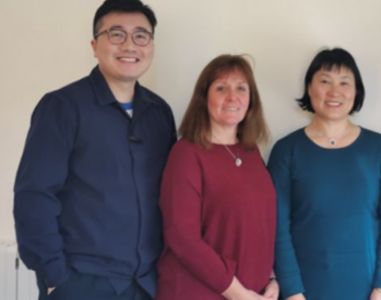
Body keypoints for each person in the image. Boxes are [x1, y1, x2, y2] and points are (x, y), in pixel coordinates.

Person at [13, 0, 176, 299]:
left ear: (151, 45)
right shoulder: (62, 107)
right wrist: (54, 276)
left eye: (141, 35)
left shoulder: (159, 113)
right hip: (81, 283)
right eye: (116, 34)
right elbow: (34, 195)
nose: (130, 45)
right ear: (94, 44)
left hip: (145, 283)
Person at [267, 48, 381, 300]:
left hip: (367, 290)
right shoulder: (286, 150)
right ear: (310, 88)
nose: (335, 91)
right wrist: (292, 290)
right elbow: (277, 226)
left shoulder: (378, 149)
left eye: (344, 82)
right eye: (324, 81)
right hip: (304, 289)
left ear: (356, 91)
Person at [156, 54, 278, 300]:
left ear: (251, 99)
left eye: (241, 88)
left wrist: (272, 277)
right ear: (204, 98)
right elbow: (182, 238)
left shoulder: (251, 152)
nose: (232, 97)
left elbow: (259, 225)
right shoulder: (186, 154)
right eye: (221, 88)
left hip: (253, 292)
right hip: (198, 293)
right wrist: (239, 294)